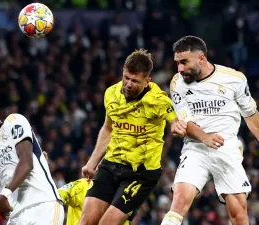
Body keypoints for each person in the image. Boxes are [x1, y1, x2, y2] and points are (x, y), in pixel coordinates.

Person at [161, 35, 259, 225]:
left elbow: (252, 117)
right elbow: (185, 121)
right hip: (195, 148)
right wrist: (205, 137)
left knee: (239, 214)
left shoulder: (234, 79)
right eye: (177, 63)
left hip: (227, 148)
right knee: (179, 202)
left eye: (184, 62)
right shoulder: (177, 83)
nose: (180, 68)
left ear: (201, 58)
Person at [78, 49, 187, 225]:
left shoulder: (158, 100)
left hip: (141, 173)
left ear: (147, 82)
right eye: (126, 77)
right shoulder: (111, 94)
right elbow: (108, 129)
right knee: (86, 221)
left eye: (135, 81)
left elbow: (173, 118)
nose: (128, 84)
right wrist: (92, 162)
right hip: (111, 165)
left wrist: (175, 124)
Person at [0, 101, 64, 225]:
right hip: (16, 213)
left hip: (44, 203)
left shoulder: (14, 121)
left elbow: (26, 163)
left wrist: (4, 195)